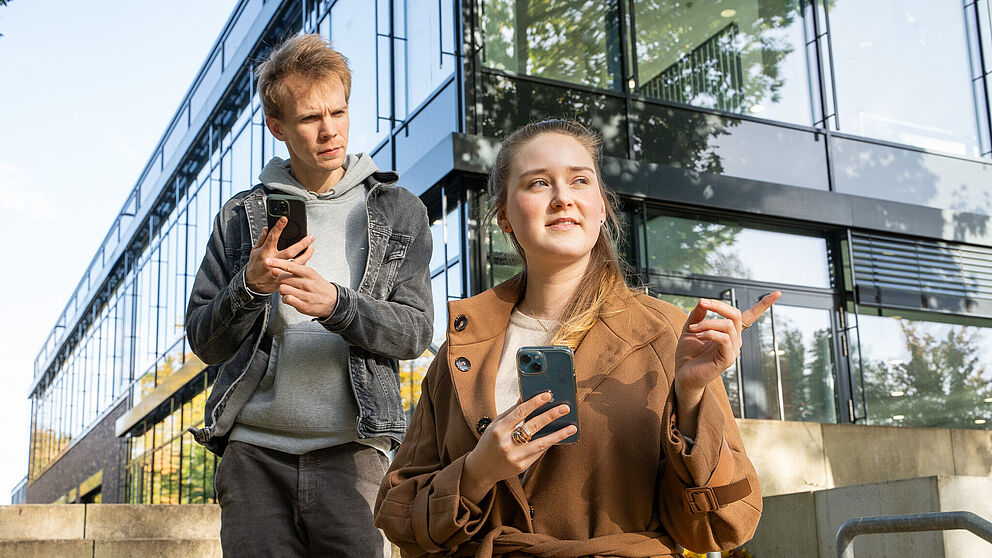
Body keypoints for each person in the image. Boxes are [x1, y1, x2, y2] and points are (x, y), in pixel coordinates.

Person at [374, 119, 779, 557]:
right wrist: (476, 472)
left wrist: (691, 396)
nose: (562, 197)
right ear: (505, 217)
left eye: (579, 180)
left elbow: (721, 527)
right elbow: (399, 515)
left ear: (601, 206)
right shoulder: (463, 344)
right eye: (538, 183)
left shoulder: (667, 333)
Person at [185, 34, 432, 557]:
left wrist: (338, 306)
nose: (329, 131)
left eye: (338, 112)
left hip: (355, 453)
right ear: (277, 127)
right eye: (309, 119)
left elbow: (415, 332)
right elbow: (204, 341)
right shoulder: (239, 216)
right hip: (255, 456)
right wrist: (249, 287)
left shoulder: (397, 210)